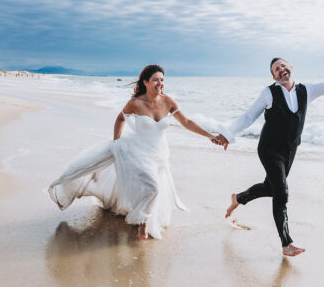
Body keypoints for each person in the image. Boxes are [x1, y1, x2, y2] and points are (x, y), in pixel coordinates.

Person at [217, 59, 324, 257]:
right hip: (269, 149)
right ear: (274, 77)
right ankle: (286, 244)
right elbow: (248, 117)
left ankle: (238, 198)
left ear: (291, 68)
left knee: (271, 188)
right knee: (282, 192)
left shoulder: (307, 90)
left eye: (283, 66)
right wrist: (227, 134)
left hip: (289, 151)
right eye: (276, 69)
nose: (281, 69)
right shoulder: (268, 93)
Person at [48, 65, 221, 240]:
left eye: (162, 80)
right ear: (145, 82)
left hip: (159, 154)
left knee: (151, 188)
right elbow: (120, 118)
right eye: (155, 80)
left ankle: (140, 216)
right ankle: (142, 223)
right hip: (137, 152)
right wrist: (116, 142)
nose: (160, 83)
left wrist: (209, 136)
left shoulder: (168, 101)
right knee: (152, 188)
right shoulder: (136, 103)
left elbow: (187, 121)